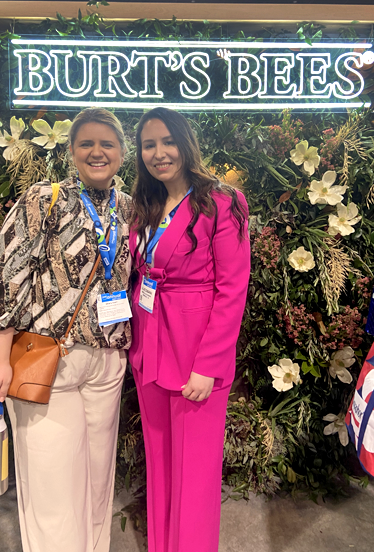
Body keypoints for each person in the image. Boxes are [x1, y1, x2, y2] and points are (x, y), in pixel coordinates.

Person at [0, 108, 132, 552]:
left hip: (107, 362)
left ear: (123, 152)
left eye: (108, 143)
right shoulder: (43, 198)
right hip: (49, 361)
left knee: (97, 484)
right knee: (51, 490)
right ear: (71, 150)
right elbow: (6, 281)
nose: (97, 152)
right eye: (87, 143)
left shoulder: (130, 207)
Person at [129, 107, 251, 552]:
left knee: (194, 476)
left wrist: (209, 365)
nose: (159, 153)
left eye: (167, 141)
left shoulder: (222, 201)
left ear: (185, 142)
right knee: (160, 465)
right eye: (148, 145)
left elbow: (232, 289)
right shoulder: (146, 203)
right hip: (149, 349)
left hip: (196, 354)